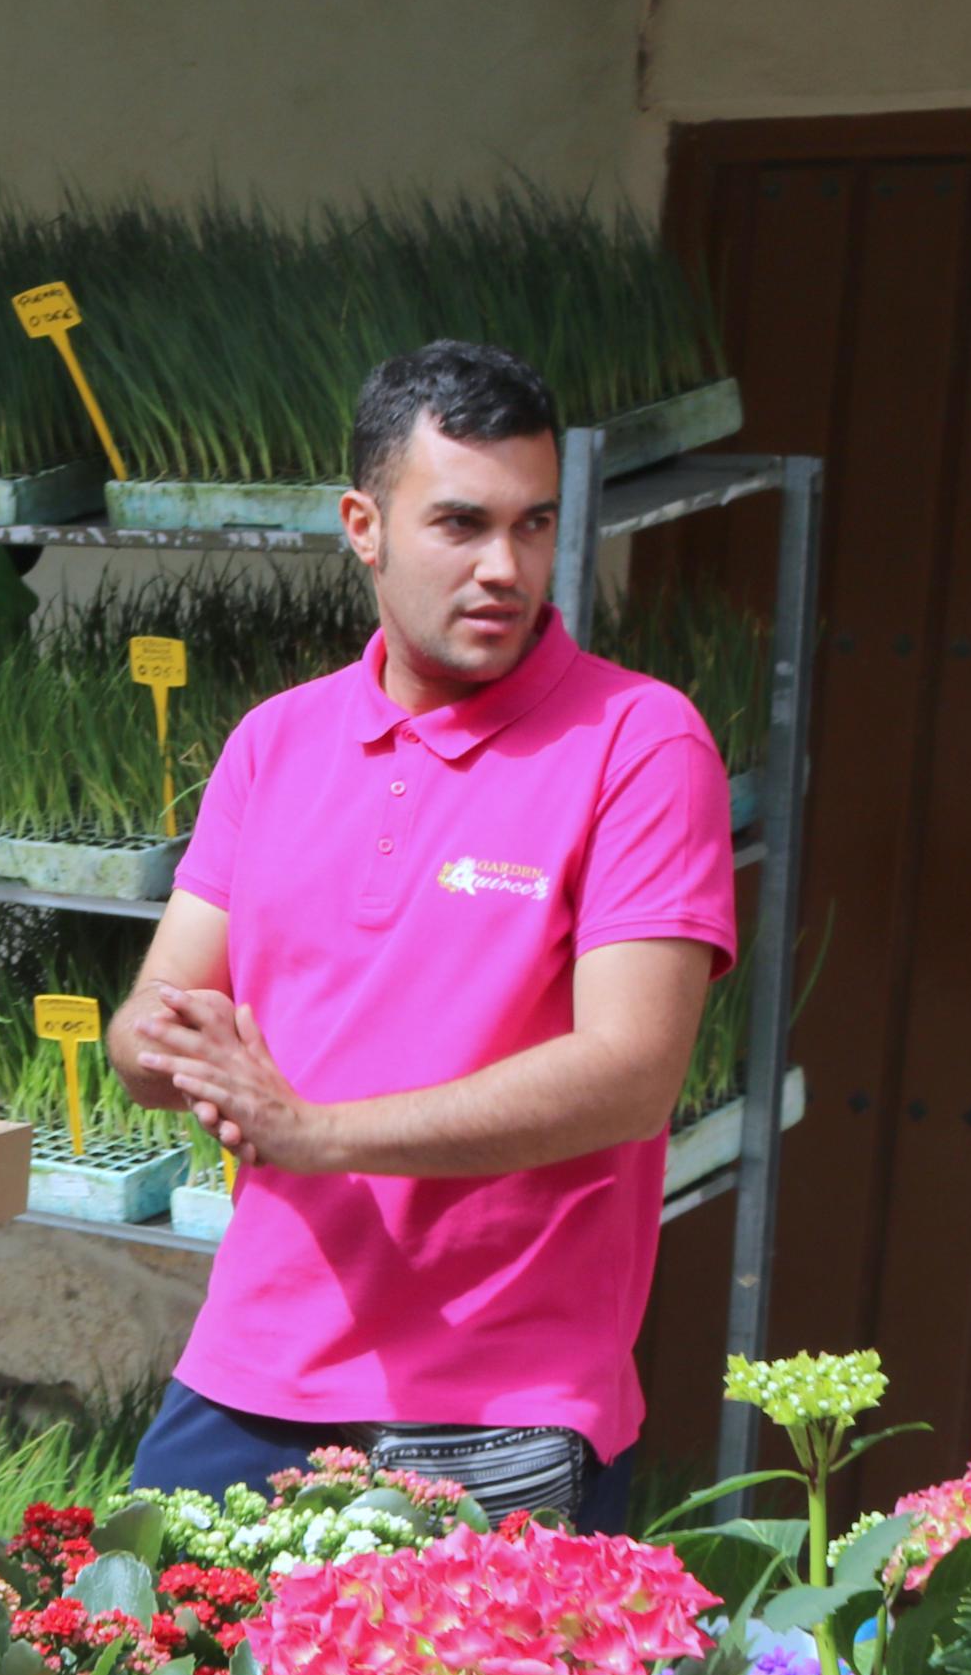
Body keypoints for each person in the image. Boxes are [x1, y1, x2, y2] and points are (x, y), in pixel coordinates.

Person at [106, 340, 738, 1529]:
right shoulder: (274, 742)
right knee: (129, 1646)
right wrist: (158, 1043)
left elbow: (630, 1074)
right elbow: (155, 1010)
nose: (506, 567)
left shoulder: (640, 743)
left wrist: (309, 1132)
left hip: (500, 1397)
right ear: (363, 525)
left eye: (533, 524)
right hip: (248, 1365)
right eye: (460, 523)